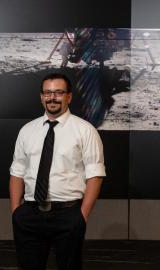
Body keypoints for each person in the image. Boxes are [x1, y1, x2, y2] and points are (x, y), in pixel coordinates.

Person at [9, 72, 105, 270]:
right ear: (41, 97)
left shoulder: (85, 130)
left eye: (58, 92)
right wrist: (16, 212)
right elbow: (17, 172)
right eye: (48, 93)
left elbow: (95, 175)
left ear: (69, 96)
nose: (52, 97)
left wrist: (82, 216)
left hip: (68, 214)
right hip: (30, 214)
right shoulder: (27, 130)